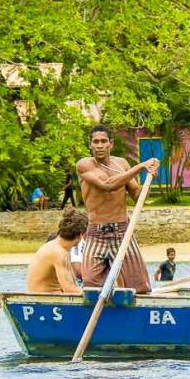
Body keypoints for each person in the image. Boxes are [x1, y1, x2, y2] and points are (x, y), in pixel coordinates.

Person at [76, 124, 160, 295]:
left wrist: (149, 180)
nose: (99, 145)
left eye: (103, 141)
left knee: (140, 287)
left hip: (122, 232)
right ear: (90, 144)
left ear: (111, 144)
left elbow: (137, 195)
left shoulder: (121, 164)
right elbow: (108, 185)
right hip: (95, 233)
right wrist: (140, 166)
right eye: (95, 142)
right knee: (91, 288)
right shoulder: (84, 165)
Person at [27, 208, 88, 293]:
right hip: (46, 301)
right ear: (81, 234)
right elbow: (69, 289)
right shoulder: (59, 253)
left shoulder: (54, 246)